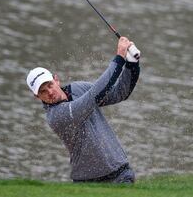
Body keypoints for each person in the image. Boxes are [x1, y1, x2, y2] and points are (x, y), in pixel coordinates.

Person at [26, 37, 140, 183]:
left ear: (56, 80)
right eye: (42, 91)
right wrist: (119, 58)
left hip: (120, 172)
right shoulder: (55, 116)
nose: (49, 92)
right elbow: (91, 98)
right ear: (37, 97)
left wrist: (132, 64)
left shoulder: (79, 88)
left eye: (49, 85)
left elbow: (120, 93)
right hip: (88, 181)